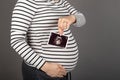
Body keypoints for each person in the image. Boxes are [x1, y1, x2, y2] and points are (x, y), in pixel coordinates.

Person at [10, 0, 86, 80]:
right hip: (41, 72)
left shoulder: (61, 2)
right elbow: (16, 40)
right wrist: (45, 67)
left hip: (61, 73)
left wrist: (72, 18)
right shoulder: (27, 2)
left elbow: (82, 19)